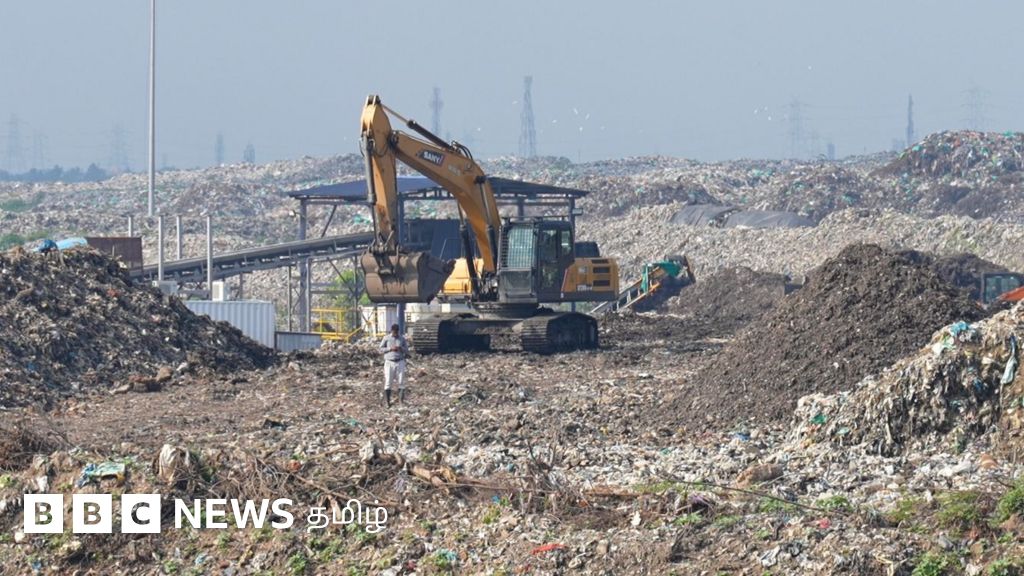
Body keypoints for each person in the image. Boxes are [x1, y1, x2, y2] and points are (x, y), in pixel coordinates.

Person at [379, 323, 408, 407]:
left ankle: (400, 401)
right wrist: (390, 349)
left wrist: (400, 348)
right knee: (388, 381)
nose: (395, 334)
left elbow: (406, 350)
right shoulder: (386, 338)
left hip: (400, 361)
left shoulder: (402, 338)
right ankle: (387, 401)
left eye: (396, 332)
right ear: (391, 331)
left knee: (401, 381)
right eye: (394, 332)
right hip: (389, 361)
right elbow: (380, 349)